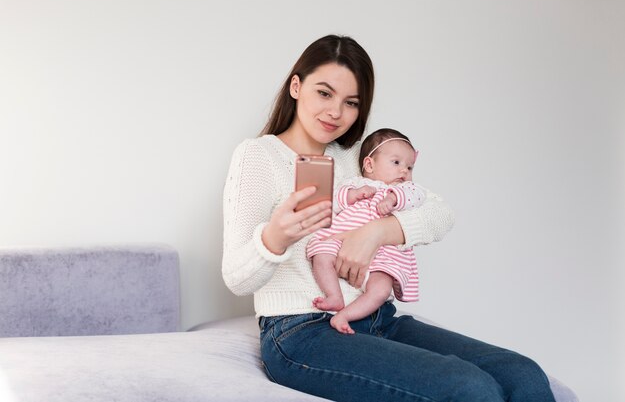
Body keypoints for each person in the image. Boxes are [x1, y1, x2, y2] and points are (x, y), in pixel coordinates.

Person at [222, 34, 556, 402]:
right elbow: (237, 279)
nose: (336, 112)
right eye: (324, 93)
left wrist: (379, 231)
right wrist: (274, 239)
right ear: (296, 87)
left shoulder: (359, 158)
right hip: (299, 332)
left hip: (379, 319)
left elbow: (440, 212)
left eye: (351, 102)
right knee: (468, 387)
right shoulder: (258, 156)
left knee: (522, 373)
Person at [306, 128, 426, 334]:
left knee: (381, 290)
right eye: (396, 163)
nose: (404, 171)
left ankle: (346, 315)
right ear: (369, 164)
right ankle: (334, 296)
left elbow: (419, 198)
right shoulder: (356, 183)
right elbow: (332, 201)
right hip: (341, 241)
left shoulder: (405, 190)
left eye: (410, 166)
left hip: (384, 256)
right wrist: (353, 195)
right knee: (321, 253)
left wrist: (392, 199)